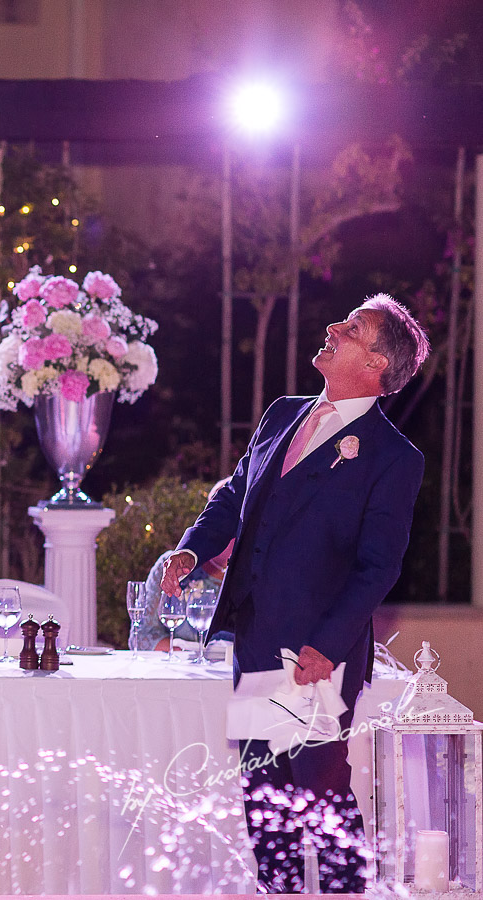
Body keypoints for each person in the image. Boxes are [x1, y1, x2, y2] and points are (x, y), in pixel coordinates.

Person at [162, 295, 429, 893]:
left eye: (353, 328)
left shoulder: (393, 458)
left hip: (313, 660)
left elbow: (377, 568)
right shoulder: (283, 413)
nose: (333, 325)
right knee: (266, 806)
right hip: (255, 642)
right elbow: (233, 496)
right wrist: (192, 548)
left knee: (321, 799)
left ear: (377, 364)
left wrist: (328, 646)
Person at [139, 479, 235, 651]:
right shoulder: (172, 567)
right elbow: (142, 636)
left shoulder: (258, 572)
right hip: (180, 673)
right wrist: (186, 658)